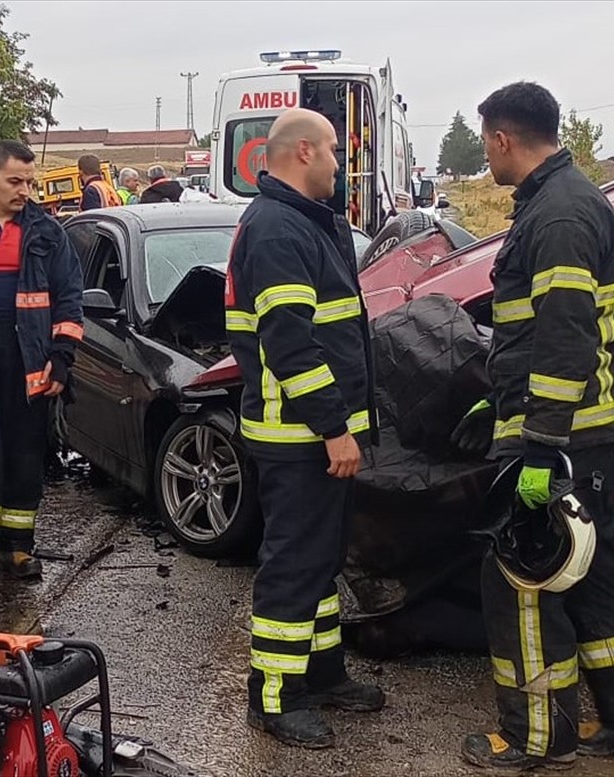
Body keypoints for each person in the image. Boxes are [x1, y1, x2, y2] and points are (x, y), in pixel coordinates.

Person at [452, 81, 614, 770]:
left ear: (502, 138)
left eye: (487, 142)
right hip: (587, 433)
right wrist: (499, 398)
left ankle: (536, 738)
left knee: (521, 581)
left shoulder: (560, 216)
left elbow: (566, 338)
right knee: (596, 574)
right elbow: (541, 331)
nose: (487, 153)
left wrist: (538, 443)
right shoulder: (565, 201)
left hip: (563, 439)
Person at [225, 108, 381, 749]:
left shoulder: (304, 223)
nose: (344, 165)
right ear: (305, 154)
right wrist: (333, 428)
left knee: (320, 561)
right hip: (301, 436)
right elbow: (290, 345)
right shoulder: (279, 230)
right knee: (294, 565)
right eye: (337, 152)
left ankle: (321, 672)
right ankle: (276, 693)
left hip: (313, 432)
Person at [0, 140, 83, 585]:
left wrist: (62, 358)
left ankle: (18, 549)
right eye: (15, 181)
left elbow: (69, 300)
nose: (25, 190)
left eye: (30, 181)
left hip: (30, 358)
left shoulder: (48, 233)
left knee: (26, 454)